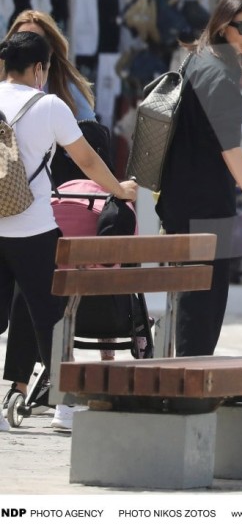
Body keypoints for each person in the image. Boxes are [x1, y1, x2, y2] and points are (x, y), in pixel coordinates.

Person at [0, 31, 138, 433]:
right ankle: (65, 407)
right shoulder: (49, 106)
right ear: (41, 68)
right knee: (49, 318)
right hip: (33, 229)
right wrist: (120, 189)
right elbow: (88, 161)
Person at [156, 0, 242, 357]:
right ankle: (191, 384)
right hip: (205, 205)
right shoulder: (221, 76)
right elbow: (230, 149)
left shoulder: (196, 59)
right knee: (204, 302)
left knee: (191, 296)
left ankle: (185, 377)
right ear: (223, 25)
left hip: (179, 198)